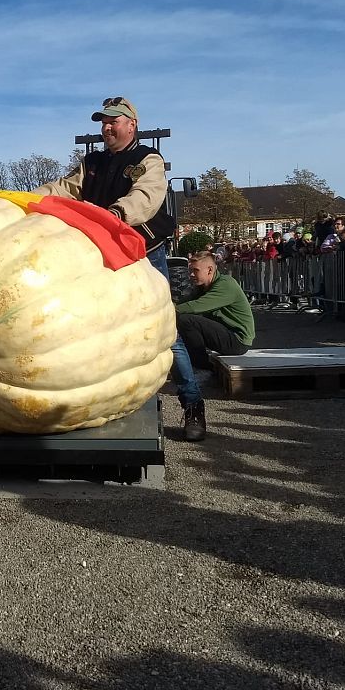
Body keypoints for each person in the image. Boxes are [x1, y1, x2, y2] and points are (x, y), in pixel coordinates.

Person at [35, 96, 207, 441]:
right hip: (100, 251)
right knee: (95, 325)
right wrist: (28, 200)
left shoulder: (147, 160)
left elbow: (146, 197)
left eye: (113, 121)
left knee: (165, 333)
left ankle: (192, 404)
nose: (106, 127)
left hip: (143, 253)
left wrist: (116, 214)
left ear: (132, 125)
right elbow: (62, 190)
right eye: (103, 122)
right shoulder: (92, 163)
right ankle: (97, 400)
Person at [175, 252, 255, 367]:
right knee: (181, 317)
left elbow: (195, 306)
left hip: (237, 341)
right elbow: (183, 303)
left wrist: (168, 311)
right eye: (190, 270)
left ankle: (201, 365)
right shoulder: (203, 287)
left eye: (196, 270)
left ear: (210, 270)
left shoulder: (226, 284)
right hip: (227, 334)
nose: (191, 275)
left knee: (186, 320)